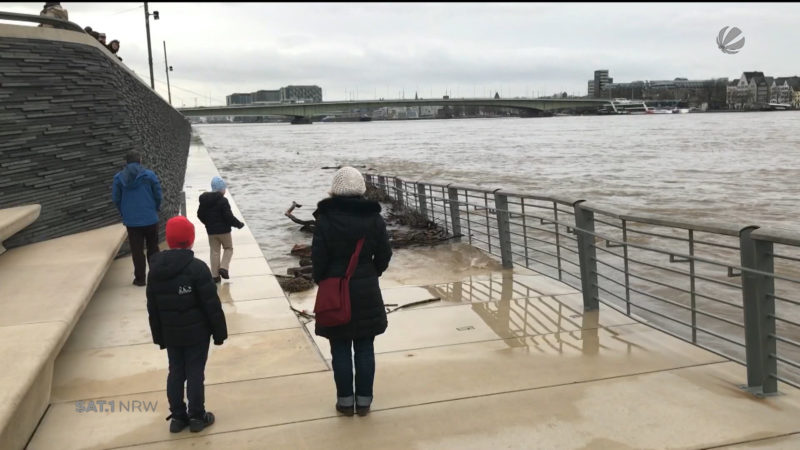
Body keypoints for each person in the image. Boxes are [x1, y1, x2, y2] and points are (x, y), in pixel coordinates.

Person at [311, 166, 392, 417]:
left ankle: (345, 402)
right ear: (361, 190)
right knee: (365, 347)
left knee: (340, 348)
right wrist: (371, 273)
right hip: (366, 289)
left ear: (334, 190)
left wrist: (324, 281)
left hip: (335, 290)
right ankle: (365, 402)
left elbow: (318, 259)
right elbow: (385, 254)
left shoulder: (325, 219)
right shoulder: (374, 218)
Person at [146, 216, 227, 433]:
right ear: (190, 240)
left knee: (176, 372)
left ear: (169, 240)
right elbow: (212, 305)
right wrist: (219, 333)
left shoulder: (155, 271)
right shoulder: (197, 268)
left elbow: (152, 309)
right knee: (194, 373)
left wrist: (159, 337)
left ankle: (178, 417)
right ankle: (197, 417)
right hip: (197, 335)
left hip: (171, 334)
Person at [111, 150, 163, 286]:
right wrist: (156, 207)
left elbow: (116, 198)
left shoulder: (118, 178)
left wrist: (124, 212)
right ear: (139, 161)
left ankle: (140, 279)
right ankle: (156, 277)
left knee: (137, 250)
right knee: (153, 248)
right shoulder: (149, 175)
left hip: (132, 222)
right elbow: (158, 194)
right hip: (151, 219)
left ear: (126, 163)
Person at [197, 176, 244, 283]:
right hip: (224, 231)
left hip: (211, 231)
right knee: (228, 248)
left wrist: (208, 223)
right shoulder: (223, 201)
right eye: (224, 188)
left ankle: (215, 276)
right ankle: (223, 267)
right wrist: (238, 224)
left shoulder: (204, 200)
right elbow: (229, 217)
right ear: (220, 189)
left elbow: (199, 215)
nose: (225, 190)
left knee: (214, 252)